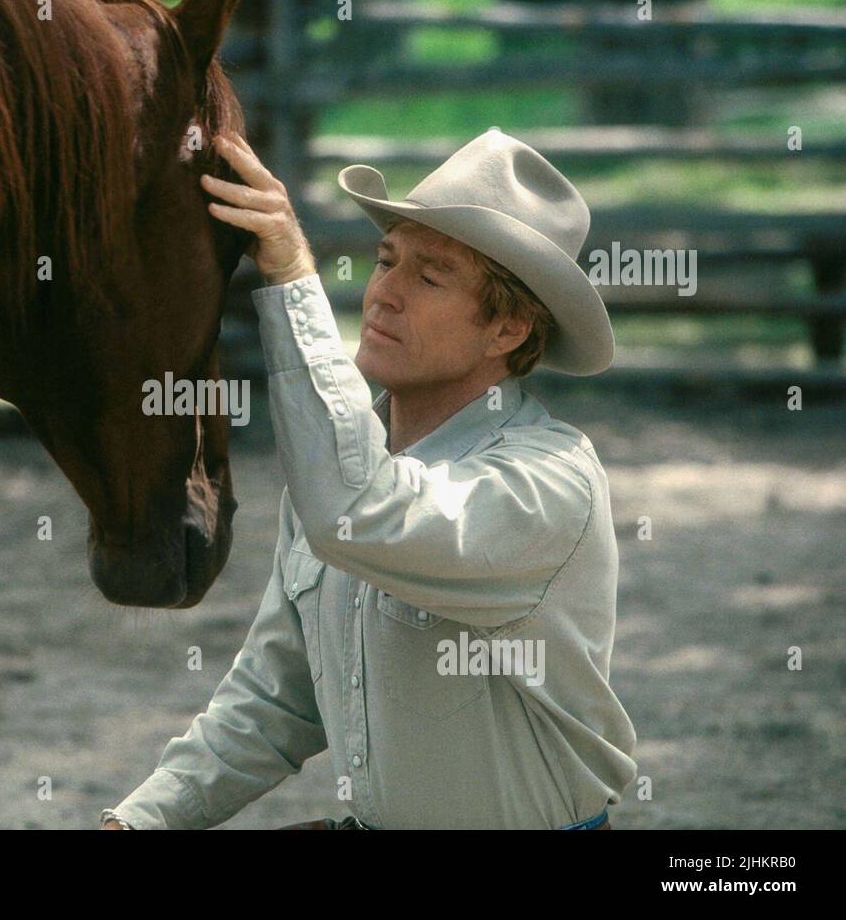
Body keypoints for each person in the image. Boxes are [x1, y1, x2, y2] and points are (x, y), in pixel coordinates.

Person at [102, 129, 636, 829]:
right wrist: (141, 821)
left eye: (429, 275)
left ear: (507, 327)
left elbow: (357, 505)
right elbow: (274, 699)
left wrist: (292, 270)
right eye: (387, 260)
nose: (384, 294)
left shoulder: (548, 485)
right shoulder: (339, 469)